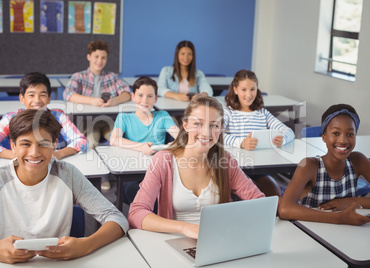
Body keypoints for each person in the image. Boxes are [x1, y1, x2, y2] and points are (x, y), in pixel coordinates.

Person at [0, 109, 128, 264]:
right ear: (13, 146)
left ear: (54, 145)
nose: (34, 153)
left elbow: (117, 218)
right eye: (25, 143)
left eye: (43, 144)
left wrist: (86, 245)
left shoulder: (68, 174)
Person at [128, 96, 265, 239]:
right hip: (174, 241)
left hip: (217, 239)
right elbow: (136, 213)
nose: (206, 132)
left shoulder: (225, 161)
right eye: (198, 124)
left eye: (214, 125)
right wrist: (185, 228)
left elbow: (259, 201)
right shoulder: (164, 161)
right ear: (185, 125)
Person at [279, 104, 370, 225]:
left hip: (347, 232)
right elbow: (285, 209)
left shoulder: (358, 160)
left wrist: (349, 201)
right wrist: (339, 218)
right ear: (324, 137)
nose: (343, 140)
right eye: (336, 133)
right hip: (309, 233)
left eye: (350, 134)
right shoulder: (309, 166)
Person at [63, 40, 131, 190]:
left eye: (103, 57)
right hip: (88, 120)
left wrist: (115, 101)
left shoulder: (111, 77)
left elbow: (127, 93)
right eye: (96, 56)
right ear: (89, 57)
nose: (99, 61)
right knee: (91, 141)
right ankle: (100, 175)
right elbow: (68, 94)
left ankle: (117, 171)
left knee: (116, 139)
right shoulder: (79, 76)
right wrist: (92, 101)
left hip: (107, 119)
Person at [0, 72, 88, 160]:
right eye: (31, 95)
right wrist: (16, 155)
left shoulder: (58, 116)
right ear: (22, 98)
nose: (37, 100)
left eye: (42, 95)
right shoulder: (11, 118)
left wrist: (59, 154)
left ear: (49, 98)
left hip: (50, 166)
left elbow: (81, 141)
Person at [223, 69, 295, 197]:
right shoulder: (228, 113)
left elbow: (289, 131)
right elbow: (217, 136)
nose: (249, 94)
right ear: (235, 89)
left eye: (252, 89)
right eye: (243, 89)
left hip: (259, 170)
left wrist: (283, 139)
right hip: (235, 170)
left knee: (275, 195)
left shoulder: (263, 114)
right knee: (248, 196)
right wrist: (241, 143)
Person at [110, 76, 179, 204]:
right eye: (140, 95)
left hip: (158, 170)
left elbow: (180, 136)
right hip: (133, 170)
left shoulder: (162, 116)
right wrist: (141, 147)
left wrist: (176, 143)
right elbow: (114, 140)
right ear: (133, 97)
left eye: (150, 96)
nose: (144, 100)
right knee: (134, 190)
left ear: (156, 98)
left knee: (167, 191)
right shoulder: (124, 118)